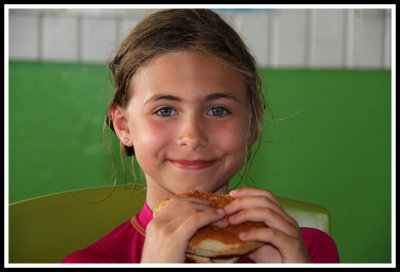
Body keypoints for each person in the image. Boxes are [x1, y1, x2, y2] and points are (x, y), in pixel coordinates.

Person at [61, 9, 339, 263]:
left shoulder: (306, 252)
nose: (192, 136)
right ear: (124, 127)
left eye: (217, 110)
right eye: (166, 110)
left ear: (252, 124)